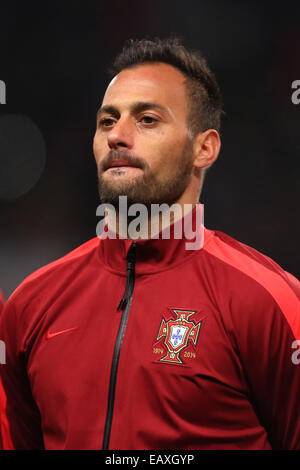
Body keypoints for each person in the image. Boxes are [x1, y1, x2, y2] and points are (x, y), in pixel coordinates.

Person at [0, 37, 299, 451]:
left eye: (147, 120)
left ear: (204, 148)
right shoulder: (31, 304)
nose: (117, 136)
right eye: (107, 121)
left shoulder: (268, 301)